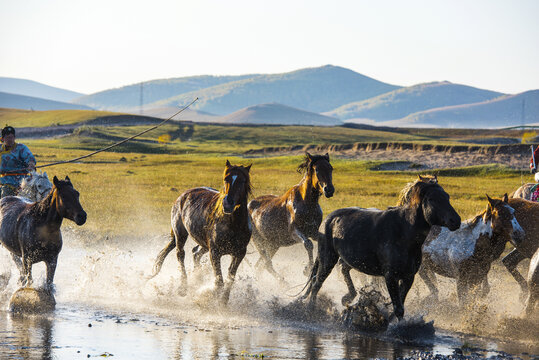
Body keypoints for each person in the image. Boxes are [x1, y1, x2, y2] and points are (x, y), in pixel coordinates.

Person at [0, 126, 36, 198]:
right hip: (3, 180)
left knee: (5, 197)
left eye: (12, 137)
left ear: (15, 137)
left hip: (20, 181)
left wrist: (31, 164)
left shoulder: (21, 148)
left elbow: (30, 158)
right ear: (2, 138)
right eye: (8, 137)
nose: (10, 140)